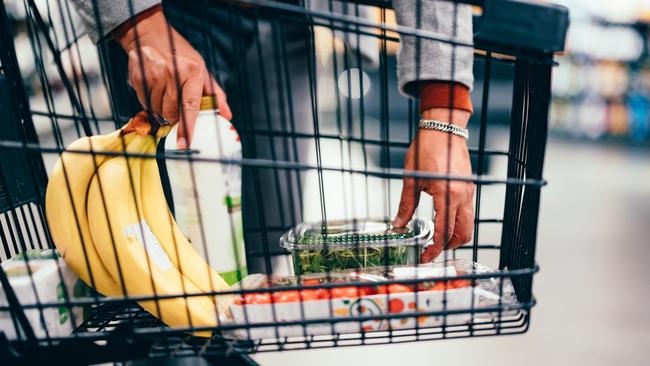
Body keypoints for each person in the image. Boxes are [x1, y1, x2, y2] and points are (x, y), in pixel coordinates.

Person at [71, 0, 475, 270]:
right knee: (166, 261)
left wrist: (445, 109)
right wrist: (140, 28)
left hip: (288, 20)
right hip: (167, 18)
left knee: (267, 252)